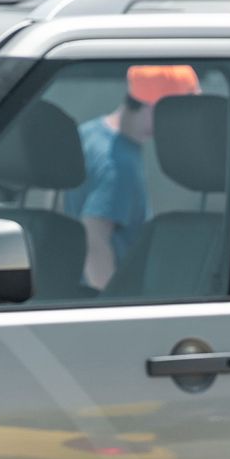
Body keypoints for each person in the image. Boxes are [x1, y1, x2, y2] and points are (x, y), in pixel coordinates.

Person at [65, 64, 199, 291]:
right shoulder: (119, 166)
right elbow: (95, 242)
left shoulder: (88, 134)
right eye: (178, 113)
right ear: (154, 106)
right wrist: (110, 308)